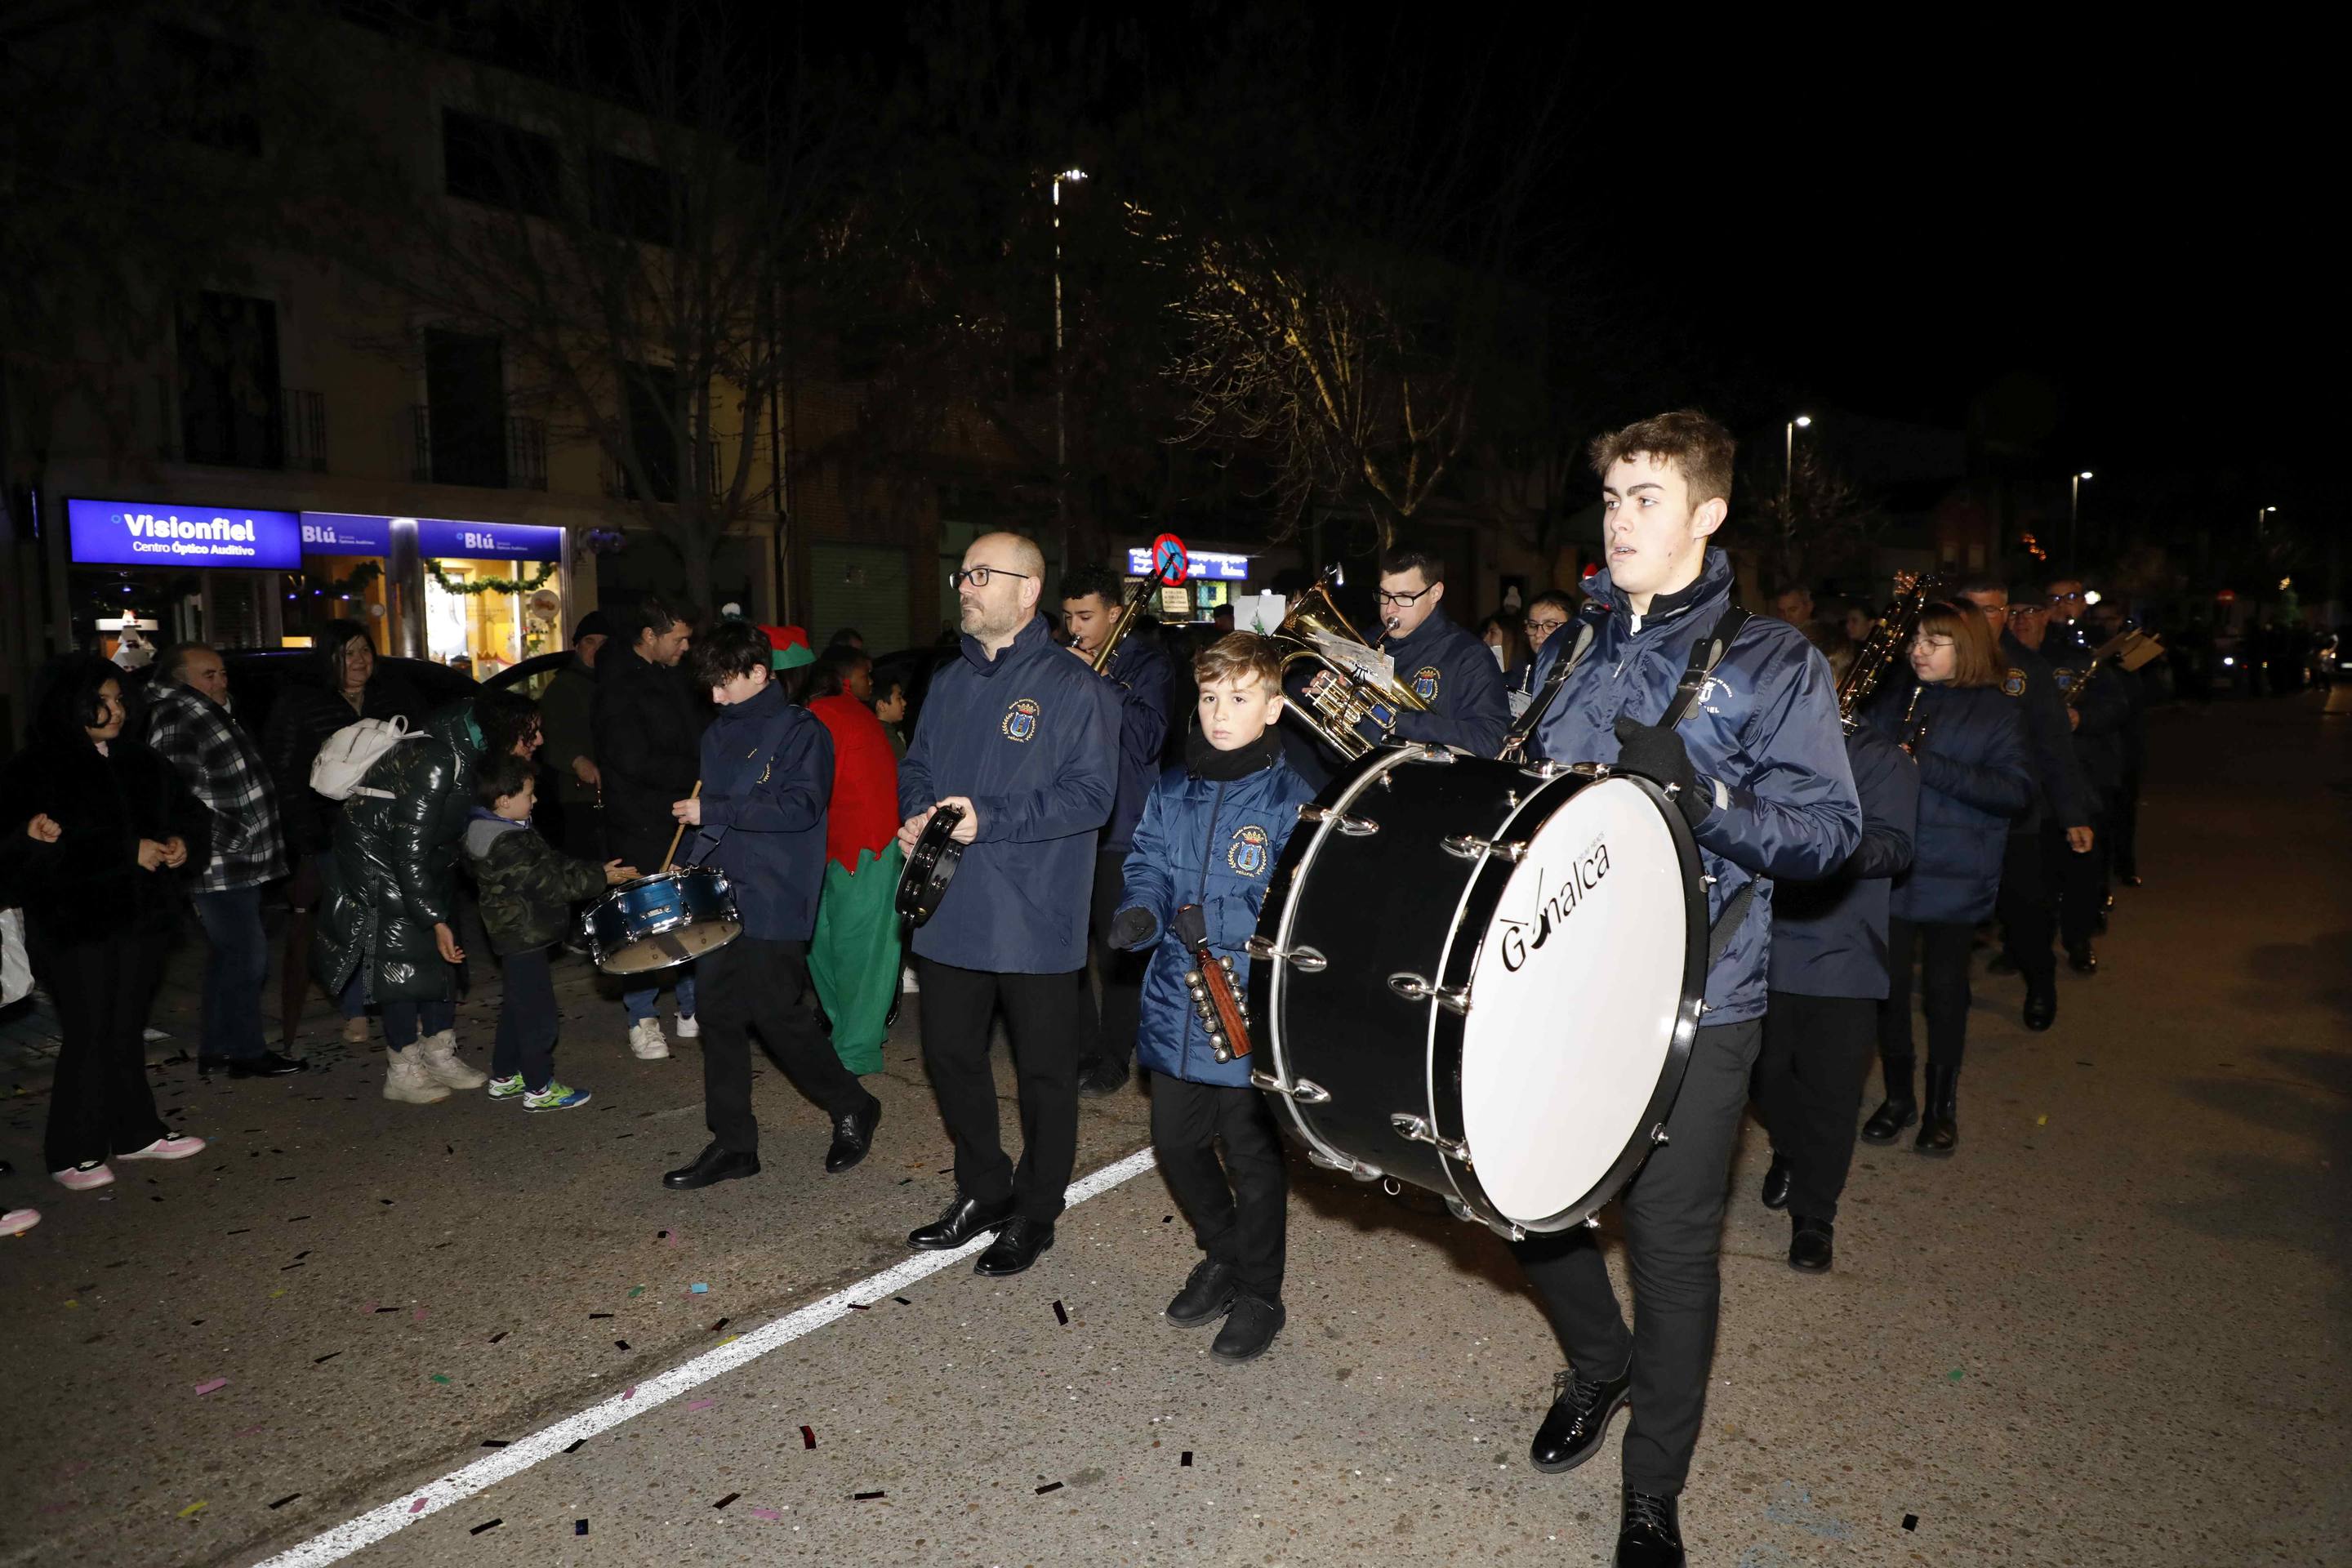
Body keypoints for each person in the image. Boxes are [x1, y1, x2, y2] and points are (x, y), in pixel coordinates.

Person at [1512, 412, 1860, 1568]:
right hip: (1556, 986)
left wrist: (1706, 806)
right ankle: (1598, 1363)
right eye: (1611, 496)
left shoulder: (1776, 662)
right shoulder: (1571, 642)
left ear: (1709, 516)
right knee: (1523, 1202)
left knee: (1670, 1250)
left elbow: (1828, 838)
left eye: (1646, 497)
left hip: (1698, 1003)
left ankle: (1652, 1488)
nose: (1619, 519)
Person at [896, 531, 1119, 1276]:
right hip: (950, 910)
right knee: (951, 1059)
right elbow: (918, 764)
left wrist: (989, 817)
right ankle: (983, 1190)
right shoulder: (950, 681)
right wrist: (921, 816)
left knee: (1044, 1077)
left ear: (1027, 591)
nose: (964, 586)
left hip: (1033, 918)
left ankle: (1036, 1211)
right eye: (962, 573)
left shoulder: (1075, 688)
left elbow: (1091, 798)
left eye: (980, 575)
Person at [1114, 632, 1316, 1362]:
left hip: (1248, 1002)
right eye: (1208, 697)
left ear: (1273, 709)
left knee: (1255, 1161)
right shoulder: (1173, 788)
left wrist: (1222, 924)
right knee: (1174, 1142)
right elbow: (1148, 863)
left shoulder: (1296, 802)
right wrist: (1142, 911)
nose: (1219, 713)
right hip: (1176, 996)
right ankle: (1225, 1252)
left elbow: (1298, 906)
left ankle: (1262, 1293)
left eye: (1238, 699)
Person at [663, 620, 884, 1188]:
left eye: (724, 684)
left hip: (776, 894)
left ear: (759, 673)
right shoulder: (715, 736)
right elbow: (713, 818)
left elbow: (800, 810)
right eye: (707, 686)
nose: (714, 697)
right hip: (719, 891)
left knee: (777, 1016)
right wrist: (683, 860)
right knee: (717, 1016)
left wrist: (716, 810)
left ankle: (852, 1103)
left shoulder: (800, 731)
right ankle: (734, 1143)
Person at [0, 657, 213, 1189]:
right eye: (105, 700)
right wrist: (122, 852)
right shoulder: (35, 769)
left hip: (142, 920)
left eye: (121, 700)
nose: (117, 710)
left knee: (124, 1030)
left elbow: (190, 812)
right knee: (89, 1031)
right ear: (70, 704)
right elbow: (25, 856)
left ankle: (136, 1133)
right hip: (75, 924)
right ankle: (72, 1151)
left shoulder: (140, 760)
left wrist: (181, 843)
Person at [1751, 627, 1918, 1272]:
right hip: (1764, 944)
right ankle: (1791, 1148)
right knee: (1761, 1076)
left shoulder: (1878, 758)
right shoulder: (1766, 749)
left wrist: (1825, 846)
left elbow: (1896, 846)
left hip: (1844, 949)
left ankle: (1815, 1216)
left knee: (1832, 1091)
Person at [1860, 603, 2034, 1155]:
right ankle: (1897, 1098)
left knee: (1943, 995)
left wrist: (1928, 765)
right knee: (1884, 992)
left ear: (1967, 649)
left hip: (1955, 874)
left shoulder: (1997, 713)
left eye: (1934, 642)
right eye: (1915, 640)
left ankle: (1941, 1107)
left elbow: (2015, 792)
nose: (1918, 650)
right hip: (1891, 870)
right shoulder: (1892, 701)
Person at [315, 690, 541, 1105]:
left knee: (443, 951)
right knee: (401, 956)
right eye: (532, 732)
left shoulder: (476, 751)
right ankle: (402, 1066)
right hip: (378, 857)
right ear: (505, 729)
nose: (539, 740)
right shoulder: (438, 759)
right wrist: (433, 917)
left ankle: (439, 1052)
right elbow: (409, 847)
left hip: (426, 857)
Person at [142, 643, 304, 1079]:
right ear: (180, 680)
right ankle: (247, 1053)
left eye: (222, 673)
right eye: (207, 675)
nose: (220, 682)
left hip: (236, 860)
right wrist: (236, 836)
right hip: (217, 862)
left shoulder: (212, 711)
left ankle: (217, 1048)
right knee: (248, 957)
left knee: (229, 955)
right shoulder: (178, 718)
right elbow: (181, 799)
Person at [262, 621, 425, 1045]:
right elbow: (283, 771)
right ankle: (354, 1009)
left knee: (398, 918)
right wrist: (305, 833)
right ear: (329, 658)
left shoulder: (393, 698)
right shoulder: (301, 702)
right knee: (351, 920)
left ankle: (400, 1004)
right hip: (331, 830)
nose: (360, 661)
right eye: (349, 653)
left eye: (365, 651)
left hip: (392, 826)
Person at [1058, 562, 1178, 1098]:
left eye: (1085, 616)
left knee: (1115, 953)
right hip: (1067, 825)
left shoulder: (1148, 666)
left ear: (1114, 613)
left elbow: (1149, 737)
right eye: (1067, 618)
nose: (1075, 629)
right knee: (1064, 944)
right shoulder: (1064, 662)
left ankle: (1114, 1054)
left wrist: (1102, 681)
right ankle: (1082, 1047)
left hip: (1122, 825)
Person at [466, 754, 637, 1111]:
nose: (535, 800)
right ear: (503, 801)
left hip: (521, 934)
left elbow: (554, 862)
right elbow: (551, 883)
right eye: (529, 794)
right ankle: (539, 1088)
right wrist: (601, 879)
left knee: (517, 1008)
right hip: (522, 937)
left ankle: (504, 1076)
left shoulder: (507, 830)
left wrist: (597, 870)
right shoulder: (506, 843)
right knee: (538, 1017)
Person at [1956, 577, 2090, 1030]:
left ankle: (2040, 984)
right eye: (1973, 610)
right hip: (1956, 814)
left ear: (2006, 613)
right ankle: (1950, 992)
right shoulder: (1939, 662)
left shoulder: (2027, 671)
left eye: (1993, 610)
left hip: (2018, 813)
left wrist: (2072, 814)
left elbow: (2055, 746)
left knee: (2025, 908)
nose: (1983, 621)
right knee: (1951, 913)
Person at [593, 596, 707, 1059]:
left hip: (682, 810)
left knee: (688, 912)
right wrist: (690, 774)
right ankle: (642, 1017)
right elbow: (631, 758)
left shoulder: (673, 678)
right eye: (678, 638)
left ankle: (690, 1007)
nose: (685, 647)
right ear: (649, 637)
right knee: (644, 920)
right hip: (638, 821)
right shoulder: (617, 685)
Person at [799, 639, 903, 1076]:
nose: (870, 682)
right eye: (865, 674)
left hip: (840, 848)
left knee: (830, 946)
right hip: (866, 847)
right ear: (845, 677)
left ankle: (853, 1043)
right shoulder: (843, 713)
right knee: (861, 951)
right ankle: (855, 1043)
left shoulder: (819, 714)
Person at [2011, 587, 2121, 973]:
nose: (2022, 618)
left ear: (2045, 616)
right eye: (2015, 610)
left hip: (2074, 778)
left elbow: (2117, 704)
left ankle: (2077, 939)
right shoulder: (1999, 659)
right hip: (2024, 784)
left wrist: (2082, 719)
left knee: (2078, 870)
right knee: (2028, 878)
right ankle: (2021, 947)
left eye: (2031, 610)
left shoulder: (2076, 656)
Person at [1343, 543, 1509, 757]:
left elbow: (1489, 740)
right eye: (1384, 594)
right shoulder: (1367, 642)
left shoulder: (1469, 655)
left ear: (1435, 593)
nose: (1390, 609)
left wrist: (1396, 721)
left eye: (1404, 597)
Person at [537, 609, 613, 867]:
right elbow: (549, 737)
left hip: (614, 792)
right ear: (578, 646)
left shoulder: (614, 683)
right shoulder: (564, 687)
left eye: (603, 644)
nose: (596, 649)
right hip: (580, 795)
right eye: (590, 642)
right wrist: (576, 760)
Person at [1505, 590, 1575, 717]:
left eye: (1550, 625)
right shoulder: (1515, 678)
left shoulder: (1585, 677)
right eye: (1533, 625)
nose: (1538, 634)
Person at [872, 670, 911, 761]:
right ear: (882, 705)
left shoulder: (890, 730)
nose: (904, 703)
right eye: (898, 698)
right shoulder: (887, 739)